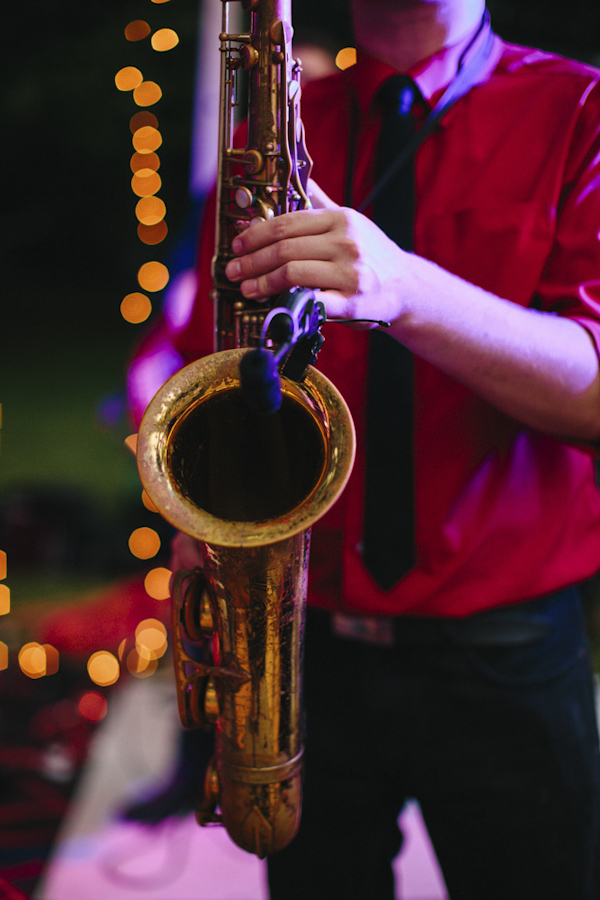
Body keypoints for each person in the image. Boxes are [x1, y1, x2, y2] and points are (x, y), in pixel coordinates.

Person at [133, 1, 600, 897]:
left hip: (506, 650)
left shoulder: (580, 111)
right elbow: (211, 366)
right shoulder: (269, 128)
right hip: (304, 646)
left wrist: (405, 288)